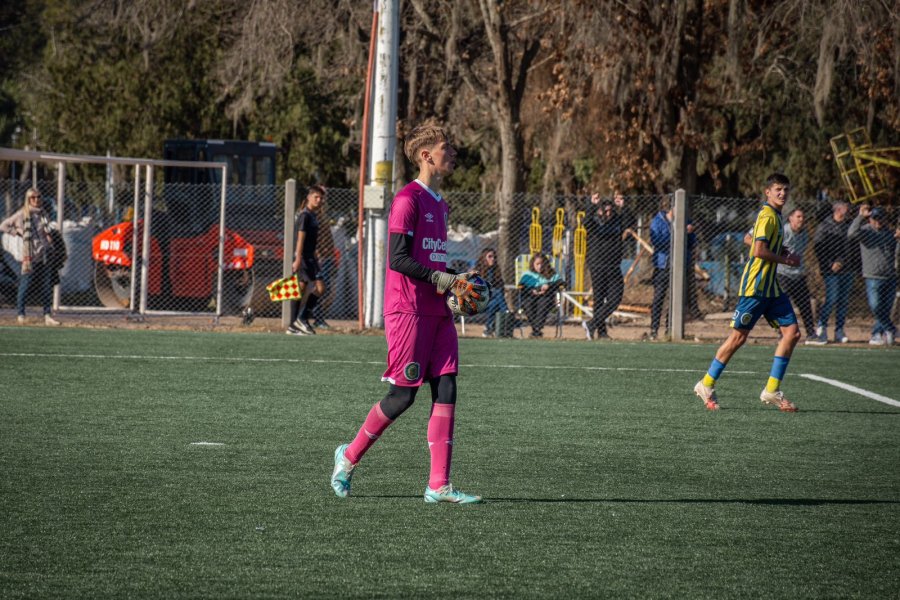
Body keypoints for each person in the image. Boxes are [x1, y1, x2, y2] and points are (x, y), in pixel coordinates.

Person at [330, 122, 482, 504]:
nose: (453, 153)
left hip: (436, 310)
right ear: (426, 155)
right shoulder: (407, 200)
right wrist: (440, 278)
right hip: (408, 311)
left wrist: (454, 280)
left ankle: (438, 485)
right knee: (403, 397)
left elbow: (431, 258)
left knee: (447, 386)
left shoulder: (440, 204)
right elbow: (398, 260)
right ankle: (347, 458)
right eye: (447, 147)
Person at [693, 173, 801, 412]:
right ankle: (706, 384)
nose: (783, 193)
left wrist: (780, 249)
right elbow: (758, 250)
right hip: (755, 288)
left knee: (792, 333)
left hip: (771, 289)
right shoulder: (767, 216)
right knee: (737, 338)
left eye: (785, 189)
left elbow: (748, 238)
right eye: (778, 190)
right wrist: (785, 258)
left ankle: (771, 390)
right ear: (767, 192)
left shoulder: (774, 216)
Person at [0, 188, 61, 326]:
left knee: (46, 286)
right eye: (33, 197)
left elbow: (45, 231)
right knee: (25, 285)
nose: (36, 200)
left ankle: (47, 316)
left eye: (39, 197)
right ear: (28, 200)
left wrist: (50, 240)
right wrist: (18, 232)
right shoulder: (22, 214)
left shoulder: (43, 214)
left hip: (45, 254)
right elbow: (3, 225)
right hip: (29, 256)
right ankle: (21, 315)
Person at [582, 192, 634, 340]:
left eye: (611, 210)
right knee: (599, 299)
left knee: (615, 298)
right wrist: (591, 205)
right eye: (605, 210)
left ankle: (591, 324)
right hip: (597, 265)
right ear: (599, 211)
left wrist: (623, 206)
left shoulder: (617, 221)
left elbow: (629, 222)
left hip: (613, 265)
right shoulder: (593, 222)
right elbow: (586, 222)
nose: (608, 213)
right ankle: (601, 332)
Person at [848, 205, 899, 346]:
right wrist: (860, 217)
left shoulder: (890, 233)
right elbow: (851, 234)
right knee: (876, 306)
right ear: (870, 219)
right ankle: (891, 329)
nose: (878, 221)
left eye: (880, 218)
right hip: (873, 276)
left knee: (885, 309)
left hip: (890, 277)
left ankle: (878, 333)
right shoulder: (865, 231)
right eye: (875, 218)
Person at [648, 197, 696, 340]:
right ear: (672, 208)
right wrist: (678, 235)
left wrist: (690, 233)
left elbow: (692, 243)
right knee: (658, 298)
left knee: (676, 299)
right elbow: (657, 241)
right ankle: (654, 329)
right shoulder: (658, 221)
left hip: (680, 266)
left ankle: (670, 329)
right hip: (663, 265)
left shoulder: (686, 222)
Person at [286, 185, 327, 335]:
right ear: (309, 197)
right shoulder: (305, 216)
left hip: (311, 257)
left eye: (321, 197)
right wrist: (297, 259)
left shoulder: (313, 215)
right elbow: (300, 240)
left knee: (301, 288)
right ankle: (301, 319)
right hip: (304, 258)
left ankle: (293, 325)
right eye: (316, 197)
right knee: (320, 288)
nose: (319, 200)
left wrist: (316, 254)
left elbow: (311, 240)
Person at [812, 200, 853, 343]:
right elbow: (819, 248)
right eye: (846, 208)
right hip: (830, 271)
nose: (848, 210)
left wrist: (842, 261)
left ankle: (839, 331)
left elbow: (851, 247)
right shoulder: (824, 226)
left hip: (847, 269)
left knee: (843, 301)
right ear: (838, 209)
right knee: (831, 299)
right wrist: (830, 264)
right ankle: (821, 328)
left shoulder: (849, 226)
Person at [776, 208, 817, 344]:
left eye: (802, 217)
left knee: (805, 304)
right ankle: (782, 333)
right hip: (783, 273)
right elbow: (774, 249)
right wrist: (786, 258)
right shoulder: (784, 232)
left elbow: (801, 252)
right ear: (791, 218)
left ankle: (811, 334)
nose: (801, 219)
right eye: (798, 216)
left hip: (798, 274)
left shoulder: (804, 234)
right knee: (782, 304)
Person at [518, 252, 563, 338]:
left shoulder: (551, 274)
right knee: (527, 303)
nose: (540, 266)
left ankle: (536, 329)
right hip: (530, 297)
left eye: (542, 264)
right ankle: (537, 330)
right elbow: (521, 287)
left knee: (543, 302)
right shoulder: (527, 274)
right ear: (533, 264)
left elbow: (562, 284)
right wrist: (532, 291)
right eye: (537, 264)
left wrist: (548, 286)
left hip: (546, 298)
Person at [474, 247, 510, 337]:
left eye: (494, 257)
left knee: (495, 303)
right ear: (483, 258)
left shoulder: (496, 271)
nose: (492, 259)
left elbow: (501, 286)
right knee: (497, 293)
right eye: (489, 256)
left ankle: (488, 329)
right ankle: (507, 316)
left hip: (491, 301)